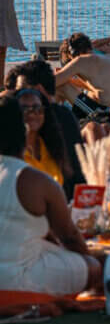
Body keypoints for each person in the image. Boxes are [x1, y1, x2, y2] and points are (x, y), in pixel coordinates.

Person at [0, 95, 101, 296]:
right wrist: (90, 262)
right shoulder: (34, 179)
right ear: (24, 131)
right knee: (94, 266)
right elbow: (70, 237)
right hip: (18, 277)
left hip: (27, 253)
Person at [14, 59, 85, 199]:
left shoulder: (33, 120)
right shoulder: (66, 115)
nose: (17, 96)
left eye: (22, 91)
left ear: (38, 91)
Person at [54, 32, 110, 110]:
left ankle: (52, 118)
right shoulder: (108, 57)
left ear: (73, 54)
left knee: (62, 87)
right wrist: (69, 79)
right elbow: (95, 86)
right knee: (91, 94)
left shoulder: (80, 60)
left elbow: (51, 81)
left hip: (106, 113)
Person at [16, 87, 70, 190]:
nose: (31, 113)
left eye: (37, 108)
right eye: (24, 109)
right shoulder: (8, 151)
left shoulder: (52, 146)